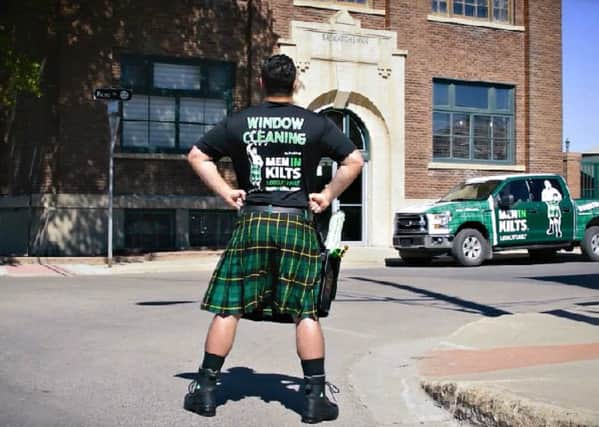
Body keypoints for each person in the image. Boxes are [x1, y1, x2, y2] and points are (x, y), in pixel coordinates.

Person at [184, 54, 364, 423]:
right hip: (296, 220)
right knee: (305, 310)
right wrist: (326, 195)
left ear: (261, 83)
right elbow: (354, 160)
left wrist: (227, 191)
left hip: (253, 220)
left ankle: (204, 390)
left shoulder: (240, 122)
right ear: (295, 84)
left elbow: (197, 155)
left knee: (229, 305)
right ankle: (314, 398)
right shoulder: (315, 124)